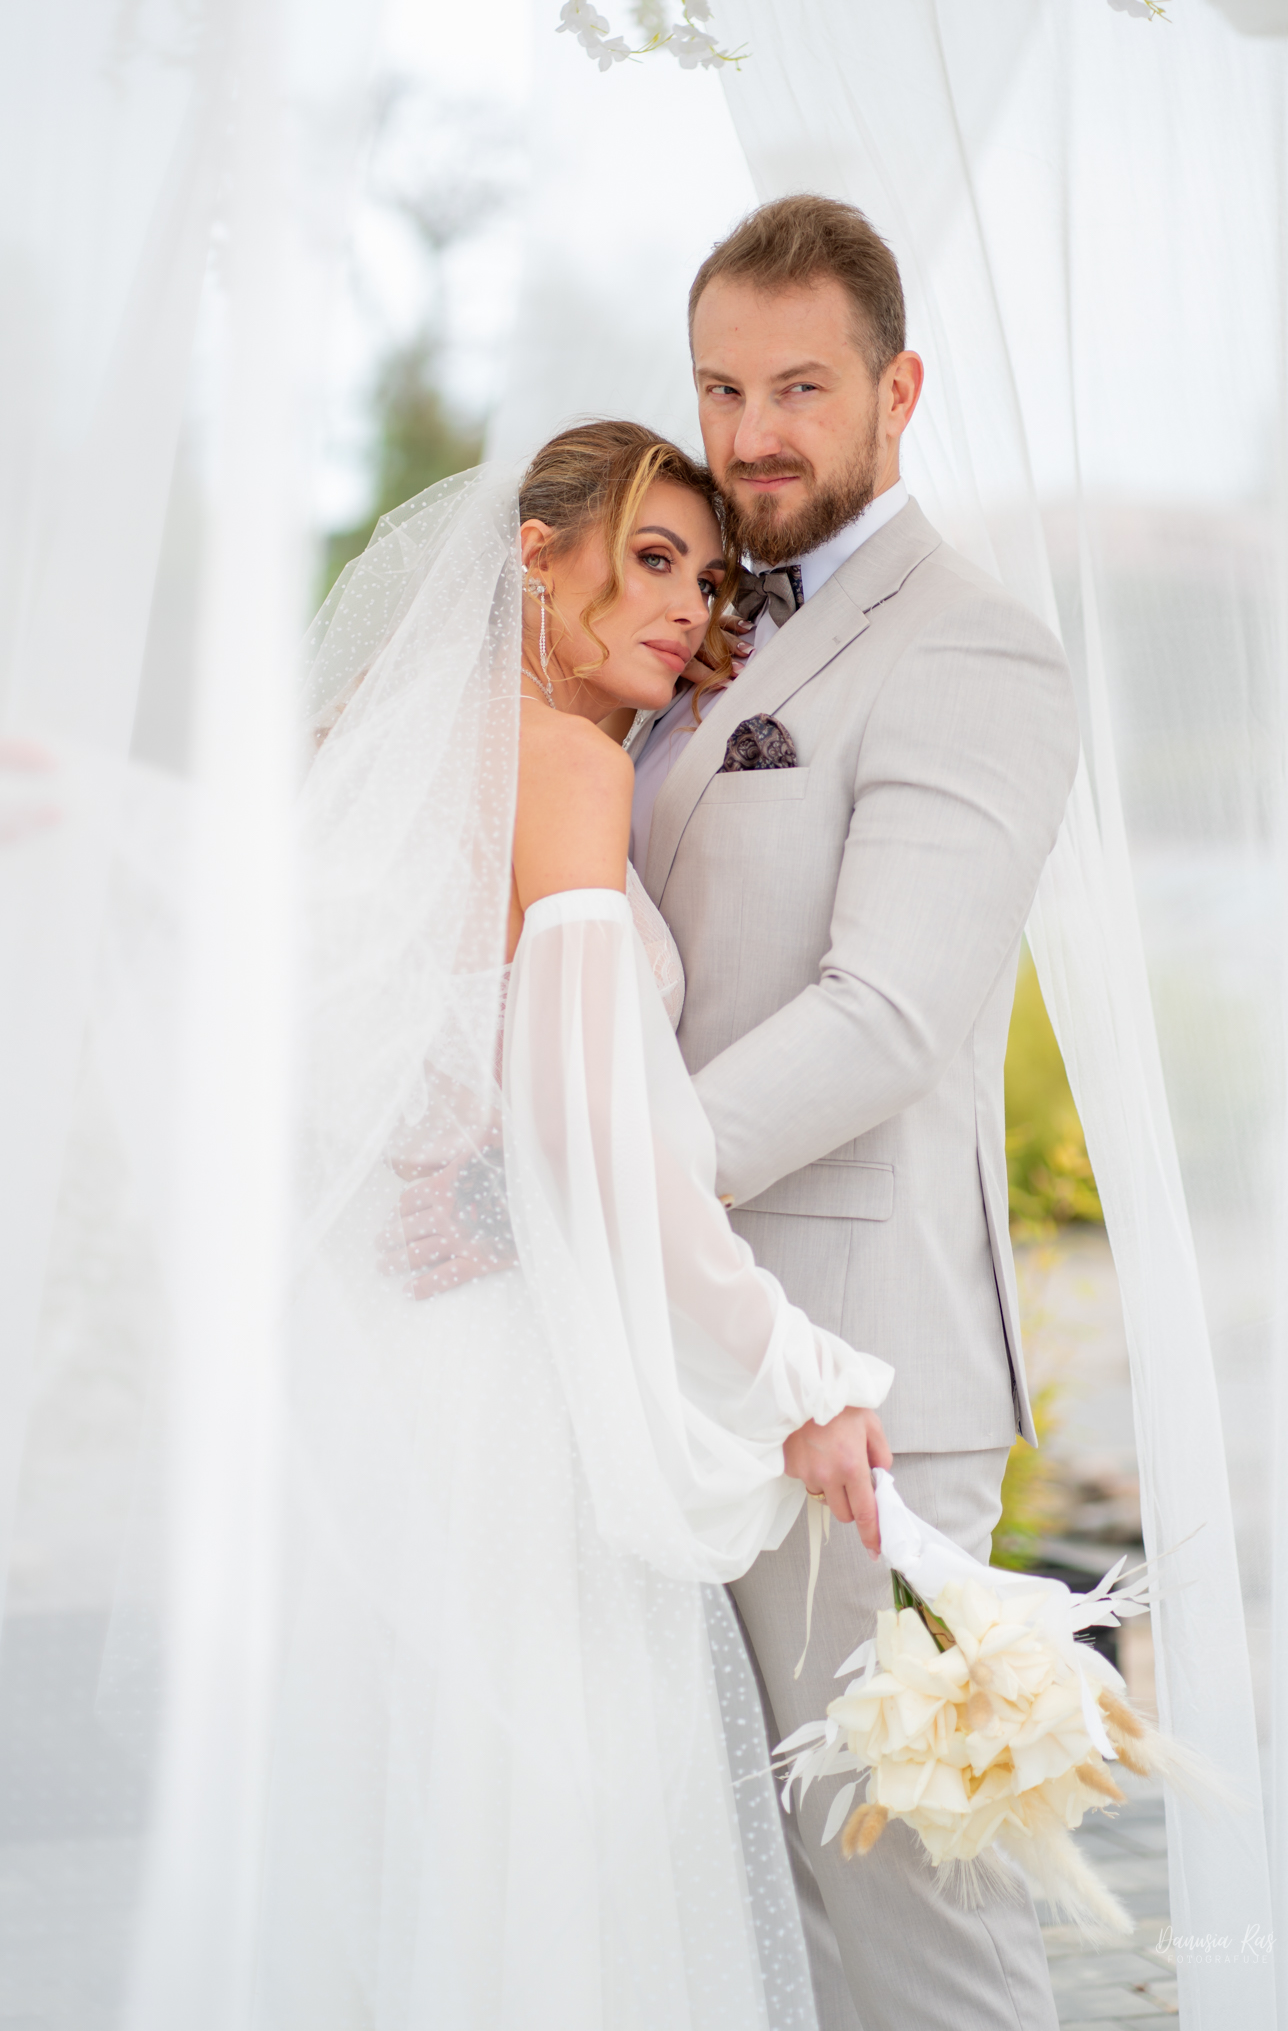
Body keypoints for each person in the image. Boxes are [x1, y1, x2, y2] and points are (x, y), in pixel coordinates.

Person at [279, 420, 895, 2030]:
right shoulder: (558, 767)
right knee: (574, 1840)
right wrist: (797, 1370)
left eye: (709, 580)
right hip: (522, 1397)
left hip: (403, 1367)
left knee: (439, 1830)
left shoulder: (394, 761)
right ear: (531, 559)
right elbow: (592, 1132)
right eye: (651, 559)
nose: (690, 606)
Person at [626, 195, 1080, 2031]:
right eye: (720, 388)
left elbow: (884, 1014)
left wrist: (592, 1179)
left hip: (855, 1378)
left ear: (898, 390)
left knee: (919, 1936)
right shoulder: (693, 624)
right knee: (749, 1923)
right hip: (674, 1362)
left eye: (799, 387)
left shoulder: (968, 648)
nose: (750, 435)